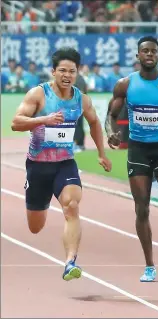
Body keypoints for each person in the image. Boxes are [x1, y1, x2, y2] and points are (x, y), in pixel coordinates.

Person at [11, 48, 112, 281]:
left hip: (65, 164)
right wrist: (44, 119)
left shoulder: (81, 98)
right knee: (35, 226)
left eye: (72, 71)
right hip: (37, 167)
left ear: (78, 72)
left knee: (72, 206)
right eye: (63, 71)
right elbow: (16, 123)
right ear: (53, 71)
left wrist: (101, 153)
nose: (67, 75)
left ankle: (70, 263)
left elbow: (95, 122)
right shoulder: (38, 94)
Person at [105, 36, 158, 282]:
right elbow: (111, 114)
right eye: (145, 51)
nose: (150, 54)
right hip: (138, 151)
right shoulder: (125, 84)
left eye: (154, 51)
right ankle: (150, 266)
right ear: (138, 56)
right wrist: (112, 133)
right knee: (142, 209)